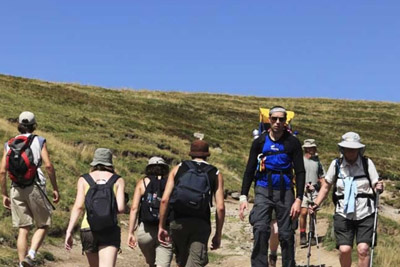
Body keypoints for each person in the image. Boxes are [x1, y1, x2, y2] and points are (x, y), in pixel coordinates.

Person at [239, 106, 305, 267]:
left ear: (285, 121)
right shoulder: (259, 142)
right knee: (261, 228)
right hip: (262, 188)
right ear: (269, 119)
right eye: (274, 119)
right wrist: (243, 196)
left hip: (286, 190)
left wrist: (299, 199)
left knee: (287, 233)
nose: (277, 122)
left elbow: (300, 171)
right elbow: (249, 170)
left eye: (281, 119)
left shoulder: (293, 143)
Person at [310, 132, 384, 267]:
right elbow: (326, 187)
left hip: (366, 212)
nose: (350, 152)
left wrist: (379, 187)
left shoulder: (367, 163)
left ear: (359, 150)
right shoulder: (336, 165)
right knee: (345, 250)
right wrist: (316, 204)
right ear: (342, 149)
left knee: (363, 250)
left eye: (353, 149)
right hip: (343, 213)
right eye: (348, 149)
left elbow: (376, 184)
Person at [0, 111, 60, 267]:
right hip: (34, 186)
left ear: (19, 125)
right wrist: (55, 188)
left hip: (15, 188)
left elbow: (2, 171)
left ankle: (21, 264)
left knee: (23, 228)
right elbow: (48, 165)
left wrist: (4, 194)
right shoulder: (39, 141)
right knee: (44, 224)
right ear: (34, 126)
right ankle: (31, 254)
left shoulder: (9, 144)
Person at [158, 139, 225, 267]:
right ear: (207, 154)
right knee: (195, 261)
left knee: (182, 261)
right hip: (201, 223)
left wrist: (161, 226)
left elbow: (165, 200)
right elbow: (220, 207)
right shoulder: (215, 173)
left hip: (178, 221)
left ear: (191, 153)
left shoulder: (178, 168)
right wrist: (218, 234)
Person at [65, 148, 125, 267]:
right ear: (109, 162)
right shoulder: (118, 180)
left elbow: (78, 207)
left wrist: (69, 231)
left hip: (88, 228)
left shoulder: (84, 179)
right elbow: (121, 208)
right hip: (110, 228)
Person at [127, 156, 173, 267]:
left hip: (145, 231)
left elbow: (134, 209)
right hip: (166, 229)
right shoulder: (170, 183)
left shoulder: (142, 183)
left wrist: (130, 232)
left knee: (152, 264)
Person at [299, 139, 325, 246]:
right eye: (312, 148)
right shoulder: (300, 161)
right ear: (306, 149)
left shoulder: (317, 162)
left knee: (313, 213)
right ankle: (302, 235)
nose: (314, 149)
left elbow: (322, 176)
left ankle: (312, 234)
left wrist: (323, 189)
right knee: (304, 212)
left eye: (314, 147)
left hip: (314, 191)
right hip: (303, 190)